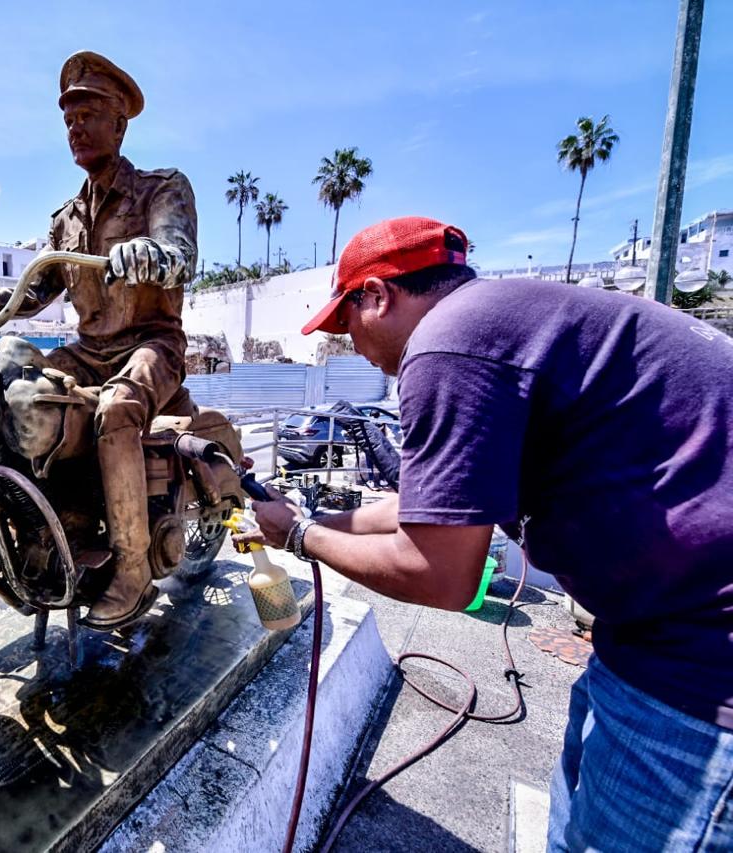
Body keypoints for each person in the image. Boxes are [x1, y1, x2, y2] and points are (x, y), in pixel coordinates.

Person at [240, 216, 733, 850]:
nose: (351, 347)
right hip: (648, 641)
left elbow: (442, 574)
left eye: (347, 325)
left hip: (700, 672)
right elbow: (426, 507)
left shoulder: (449, 343)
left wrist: (303, 536)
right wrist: (311, 522)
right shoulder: (508, 321)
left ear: (377, 296)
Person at [0, 51, 197, 631]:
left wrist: (152, 255)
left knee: (118, 410)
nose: (75, 126)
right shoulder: (65, 220)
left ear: (119, 124)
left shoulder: (160, 189)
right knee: (8, 394)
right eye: (69, 116)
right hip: (88, 351)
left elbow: (181, 257)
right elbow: (27, 295)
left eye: (89, 113)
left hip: (152, 344)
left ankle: (132, 570)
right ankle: (34, 527)